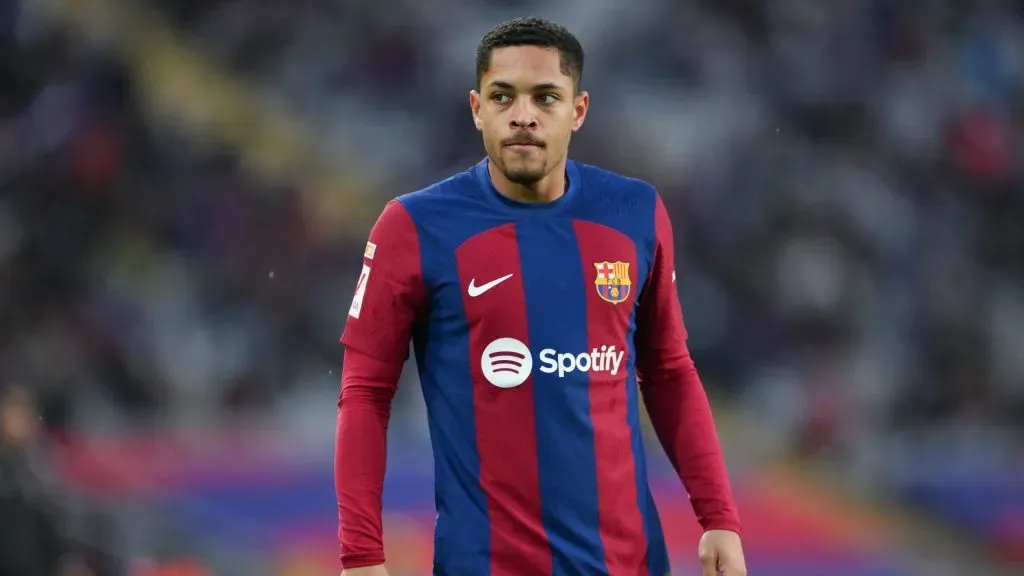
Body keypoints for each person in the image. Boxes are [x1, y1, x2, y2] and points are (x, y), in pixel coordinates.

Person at [336, 17, 747, 576]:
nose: (522, 115)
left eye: (545, 97)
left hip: (629, 563)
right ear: (477, 108)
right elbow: (365, 391)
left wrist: (718, 516)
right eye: (502, 96)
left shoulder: (635, 213)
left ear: (578, 110)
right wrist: (361, 554)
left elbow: (669, 370)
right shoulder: (413, 226)